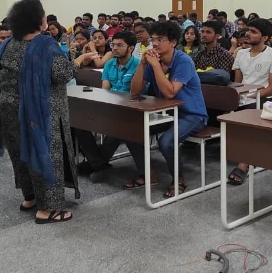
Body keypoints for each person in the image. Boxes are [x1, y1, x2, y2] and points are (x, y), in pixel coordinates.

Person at [0, 0, 81, 224]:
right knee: (45, 153)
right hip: (40, 110)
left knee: (21, 153)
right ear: (40, 20)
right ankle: (49, 208)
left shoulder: (8, 44)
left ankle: (30, 197)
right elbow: (62, 74)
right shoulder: (45, 44)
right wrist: (79, 61)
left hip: (9, 107)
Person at [126, 21, 207, 197]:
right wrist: (142, 64)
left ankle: (179, 179)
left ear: (172, 42)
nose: (154, 43)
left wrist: (155, 66)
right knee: (131, 132)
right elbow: (135, 91)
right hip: (168, 112)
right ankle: (148, 173)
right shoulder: (154, 60)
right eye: (153, 39)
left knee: (166, 142)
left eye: (160, 39)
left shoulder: (183, 61)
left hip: (192, 114)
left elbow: (170, 93)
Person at [227, 19, 272, 185]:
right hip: (244, 96)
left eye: (253, 31)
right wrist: (238, 96)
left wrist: (249, 96)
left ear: (265, 37)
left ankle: (243, 164)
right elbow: (238, 82)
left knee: (249, 116)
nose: (247, 34)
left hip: (265, 99)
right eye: (248, 30)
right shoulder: (240, 53)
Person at [76, 31, 140, 182]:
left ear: (130, 48)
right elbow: (105, 89)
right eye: (113, 45)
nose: (115, 48)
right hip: (110, 105)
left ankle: (95, 163)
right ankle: (99, 164)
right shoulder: (110, 63)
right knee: (78, 122)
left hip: (130, 109)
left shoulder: (139, 65)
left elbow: (136, 93)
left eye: (119, 45)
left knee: (116, 128)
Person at [194, 21, 234, 85]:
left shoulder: (225, 55)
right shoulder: (199, 54)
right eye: (202, 31)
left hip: (217, 91)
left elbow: (221, 80)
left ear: (217, 36)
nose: (204, 35)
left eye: (208, 32)